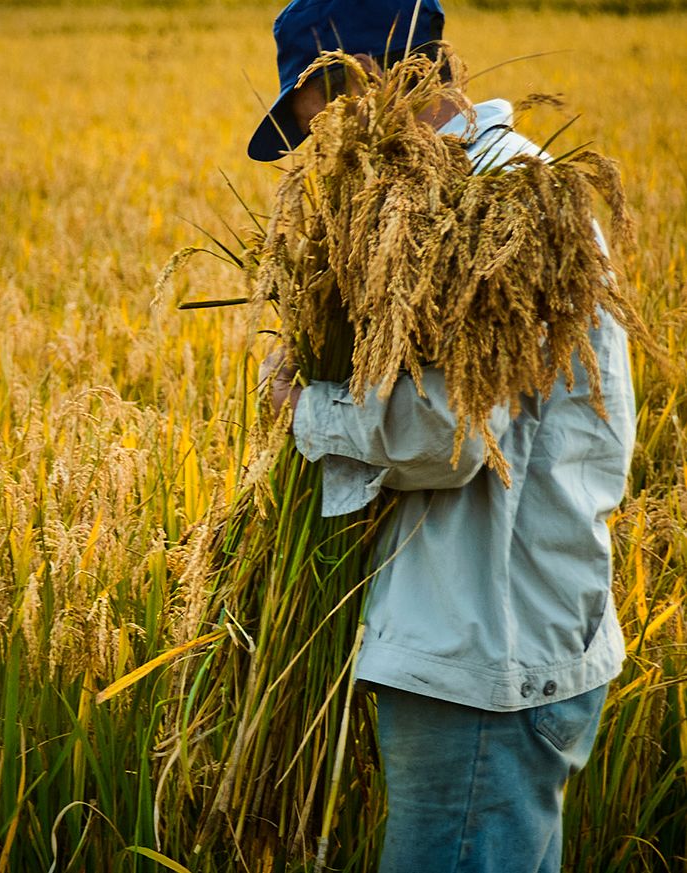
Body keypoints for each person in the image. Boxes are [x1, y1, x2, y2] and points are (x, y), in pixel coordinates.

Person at [251, 1, 636, 871]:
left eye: (330, 125)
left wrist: (306, 404)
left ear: (385, 79)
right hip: (491, 648)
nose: (327, 161)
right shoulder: (454, 197)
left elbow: (450, 435)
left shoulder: (499, 204)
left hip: (483, 665)